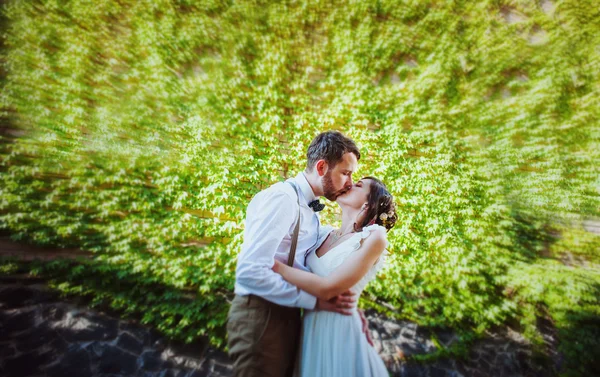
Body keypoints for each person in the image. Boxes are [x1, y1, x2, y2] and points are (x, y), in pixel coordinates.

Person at [227, 130, 366, 377]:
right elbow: (250, 272)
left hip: (287, 313)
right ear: (322, 167)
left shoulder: (311, 212)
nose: (350, 182)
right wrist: (314, 301)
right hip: (261, 314)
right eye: (345, 173)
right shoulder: (282, 199)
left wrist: (353, 309)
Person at [273, 176, 397, 377]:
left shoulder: (375, 237)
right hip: (310, 329)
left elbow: (328, 288)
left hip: (340, 331)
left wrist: (273, 266)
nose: (349, 184)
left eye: (358, 185)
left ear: (369, 203)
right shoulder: (322, 234)